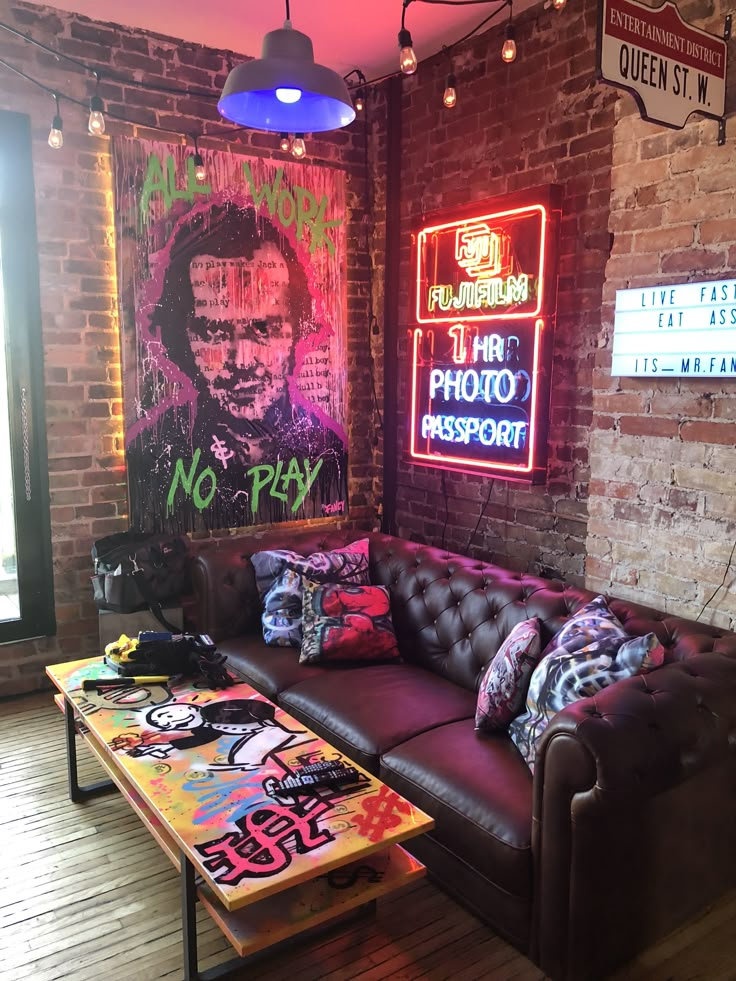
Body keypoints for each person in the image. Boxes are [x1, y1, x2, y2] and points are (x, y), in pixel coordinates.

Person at [125, 200, 347, 532]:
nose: (242, 361)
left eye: (264, 329)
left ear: (297, 328)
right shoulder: (155, 453)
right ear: (181, 340)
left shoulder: (328, 451)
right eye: (215, 333)